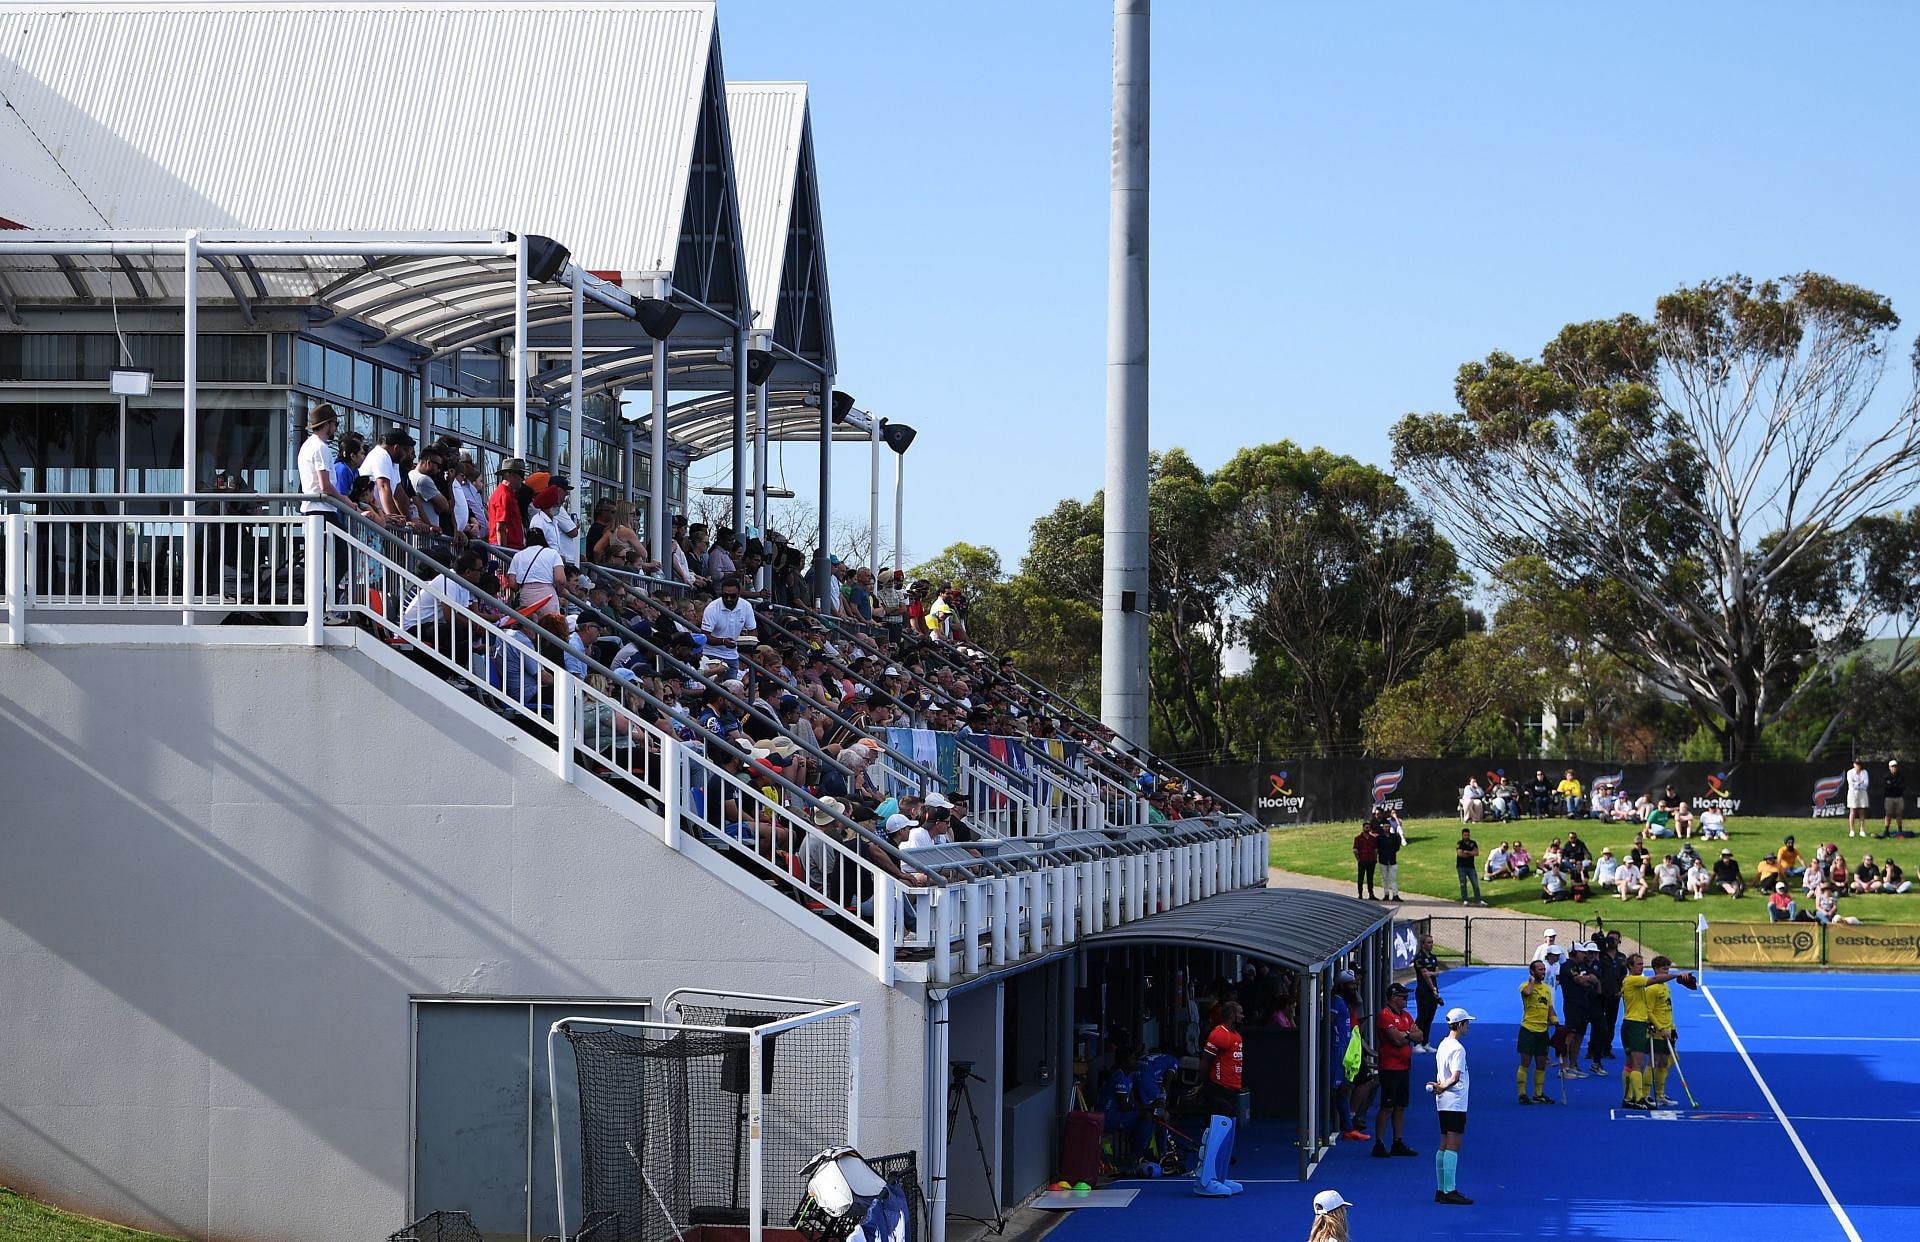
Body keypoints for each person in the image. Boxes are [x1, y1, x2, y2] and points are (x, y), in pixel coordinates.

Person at [1619, 953, 1697, 1109]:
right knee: (1639, 1062)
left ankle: (1631, 1097)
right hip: (1636, 1024)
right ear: (1630, 966)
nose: (1642, 967)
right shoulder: (1633, 980)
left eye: (1642, 964)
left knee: (1634, 1062)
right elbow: (1653, 982)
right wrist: (1677, 975)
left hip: (1641, 1024)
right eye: (1639, 964)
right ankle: (1640, 1097)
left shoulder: (1640, 983)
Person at [1426, 1007, 1475, 1206]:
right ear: (1461, 1024)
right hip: (1454, 1100)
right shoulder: (1458, 1048)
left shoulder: (1443, 1044)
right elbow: (1455, 1077)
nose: (1468, 1026)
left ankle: (1440, 1188)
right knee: (1454, 1144)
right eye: (1467, 1023)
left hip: (1443, 1102)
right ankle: (1449, 1190)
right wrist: (1443, 1087)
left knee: (1444, 1143)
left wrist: (1439, 1088)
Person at [1371, 984, 1419, 1158]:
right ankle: (1379, 1142)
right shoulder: (1385, 1015)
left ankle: (1397, 1141)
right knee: (1387, 1106)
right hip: (1390, 1068)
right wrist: (1409, 1035)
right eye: (1403, 996)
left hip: (1404, 1066)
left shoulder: (1406, 1015)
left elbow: (1419, 1035)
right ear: (1394, 997)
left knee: (1401, 1105)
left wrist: (1405, 1034)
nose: (1406, 999)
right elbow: (1396, 1040)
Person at [1516, 958, 1558, 1105]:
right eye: (1540, 970)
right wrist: (1532, 982)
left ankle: (1538, 1094)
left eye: (1544, 969)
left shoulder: (1547, 989)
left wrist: (1555, 1021)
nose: (1543, 972)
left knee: (1541, 1063)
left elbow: (1550, 1008)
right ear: (1532, 972)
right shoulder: (1525, 986)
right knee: (1526, 1062)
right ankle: (1522, 1094)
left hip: (1542, 1031)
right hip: (1528, 1029)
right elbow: (1527, 993)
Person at [1198, 1001, 1244, 1121]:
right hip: (1219, 1089)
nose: (1242, 1016)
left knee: (1230, 1126)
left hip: (1232, 1090)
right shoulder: (1219, 1034)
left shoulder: (1236, 1035)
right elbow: (1206, 1060)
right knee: (1217, 1128)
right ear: (1231, 1015)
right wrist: (1202, 1084)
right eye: (1240, 1013)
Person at [1412, 933, 1444, 1052]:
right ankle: (1416, 1043)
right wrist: (1433, 989)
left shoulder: (1433, 957)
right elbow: (1425, 975)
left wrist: (1432, 974)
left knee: (1430, 1017)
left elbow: (1437, 972)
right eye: (1428, 942)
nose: (1431, 945)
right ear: (1423, 944)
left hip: (1433, 991)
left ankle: (1426, 1042)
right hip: (1424, 991)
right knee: (1422, 1017)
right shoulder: (1419, 958)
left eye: (1432, 942)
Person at [1455, 829, 1488, 906]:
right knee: (1463, 883)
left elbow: (1476, 853)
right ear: (1462, 835)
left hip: (1471, 867)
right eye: (1465, 835)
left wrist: (1468, 852)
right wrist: (1470, 853)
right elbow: (1460, 854)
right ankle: (1465, 899)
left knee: (1475, 884)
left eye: (1467, 835)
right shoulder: (1459, 843)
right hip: (1461, 866)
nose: (1466, 836)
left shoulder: (1473, 843)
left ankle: (1478, 900)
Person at [1374, 813, 1403, 901]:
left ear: (1390, 827)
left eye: (1388, 827)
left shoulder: (1394, 837)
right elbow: (1377, 848)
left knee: (1393, 878)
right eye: (1385, 827)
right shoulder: (1379, 838)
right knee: (1384, 878)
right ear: (1383, 828)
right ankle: (1386, 894)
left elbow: (1397, 847)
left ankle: (1395, 894)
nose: (1386, 828)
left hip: (1392, 860)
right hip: (1383, 860)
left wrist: (1392, 852)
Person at [1353, 819, 1379, 900]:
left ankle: (1371, 894)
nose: (1367, 829)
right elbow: (1355, 850)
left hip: (1371, 860)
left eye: (1368, 828)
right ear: (1363, 828)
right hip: (1362, 860)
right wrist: (1358, 859)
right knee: (1361, 877)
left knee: (1370, 878)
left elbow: (1375, 849)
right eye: (1366, 827)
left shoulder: (1373, 838)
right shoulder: (1358, 838)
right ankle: (1360, 894)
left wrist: (1375, 858)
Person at [1884, 760, 1907, 837]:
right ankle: (1886, 830)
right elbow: (1887, 787)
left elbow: (1901, 786)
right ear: (1889, 767)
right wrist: (1894, 786)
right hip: (1889, 798)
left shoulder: (1901, 776)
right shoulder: (1886, 776)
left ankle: (1900, 829)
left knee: (1899, 814)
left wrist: (1893, 785)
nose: (1894, 768)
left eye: (1895, 766)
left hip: (1899, 798)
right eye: (1892, 766)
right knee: (1888, 814)